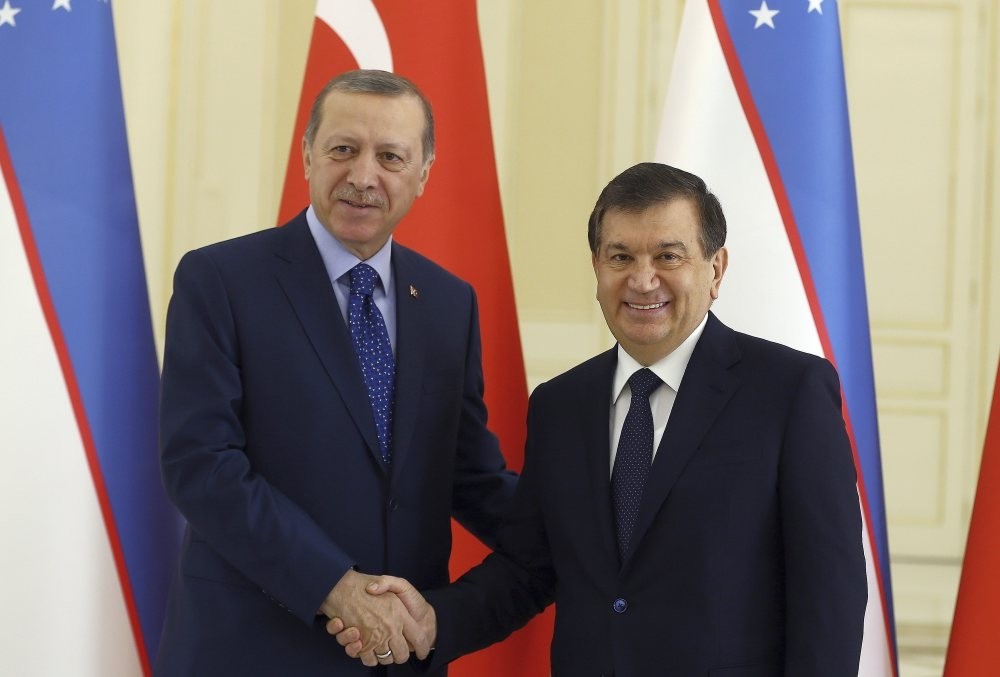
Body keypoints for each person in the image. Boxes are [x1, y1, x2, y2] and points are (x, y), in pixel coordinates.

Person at [332, 162, 868, 676]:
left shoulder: (788, 391)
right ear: (596, 268)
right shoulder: (561, 405)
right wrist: (431, 622)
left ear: (715, 269)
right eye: (620, 256)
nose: (642, 280)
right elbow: (528, 569)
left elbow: (829, 594)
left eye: (668, 256)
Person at [155, 69, 517, 675]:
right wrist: (335, 585)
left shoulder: (450, 303)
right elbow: (202, 466)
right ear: (307, 156)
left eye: (391, 157)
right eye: (343, 149)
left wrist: (588, 522)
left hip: (393, 657)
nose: (363, 176)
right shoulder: (219, 281)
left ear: (424, 172)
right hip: (249, 650)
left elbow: (468, 476)